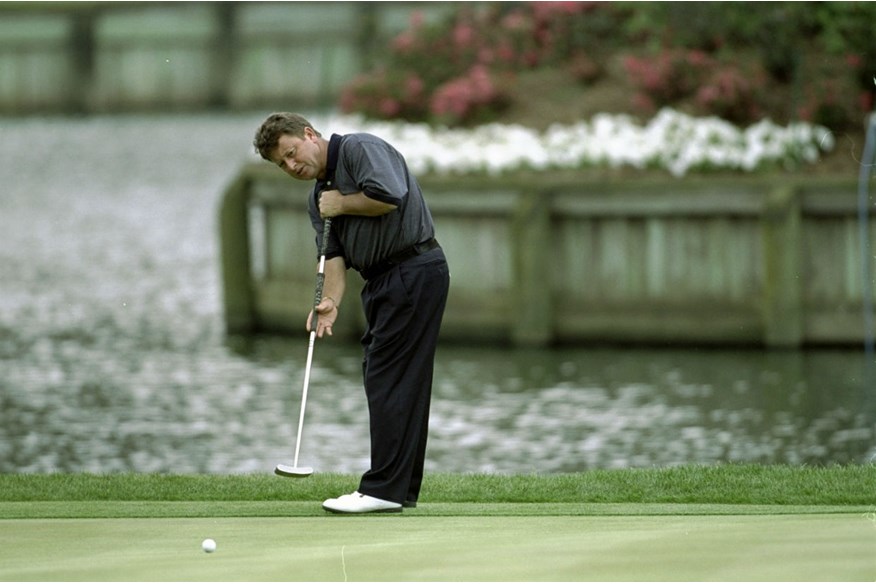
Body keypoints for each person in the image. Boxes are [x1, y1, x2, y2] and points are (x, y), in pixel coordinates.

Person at [253, 113, 450, 514]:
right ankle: (401, 489)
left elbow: (388, 195)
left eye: (291, 153)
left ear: (309, 135)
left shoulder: (360, 149)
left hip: (413, 268)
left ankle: (383, 489)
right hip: (381, 282)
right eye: (282, 164)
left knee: (386, 377)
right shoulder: (318, 198)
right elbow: (333, 259)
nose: (292, 166)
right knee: (398, 380)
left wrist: (340, 203)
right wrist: (330, 301)